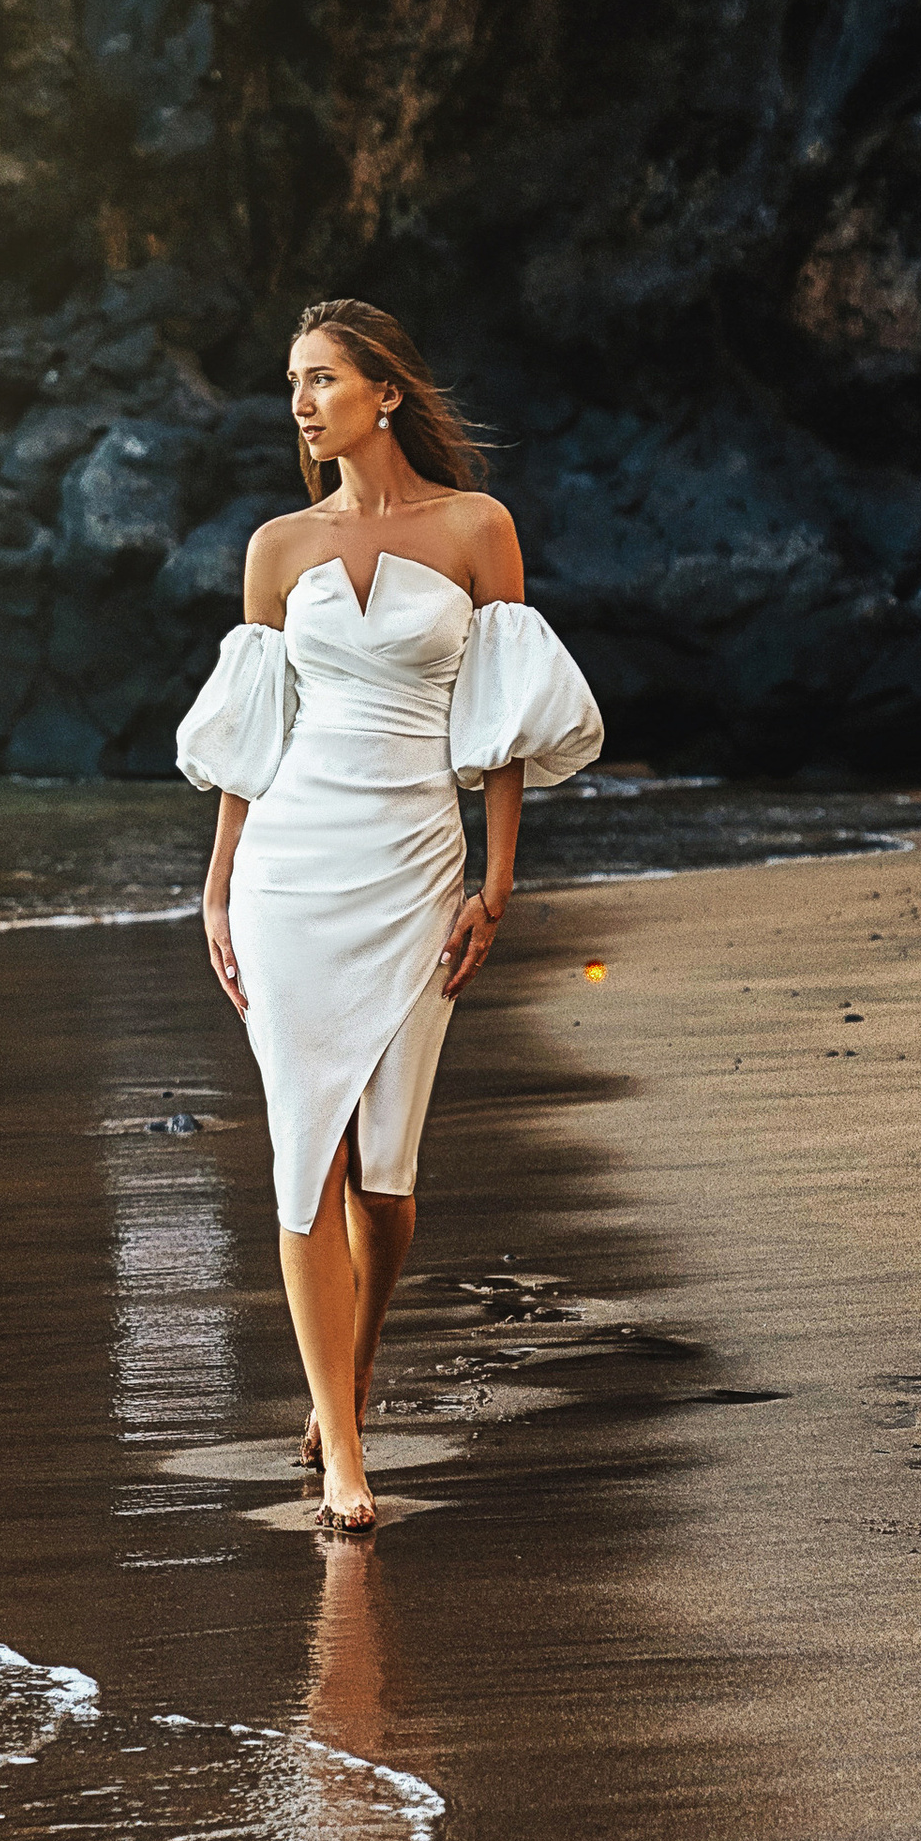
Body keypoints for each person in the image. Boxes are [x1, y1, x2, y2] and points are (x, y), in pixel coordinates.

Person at [176, 299, 603, 1536]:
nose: (301, 402)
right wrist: (218, 885)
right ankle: (349, 1454)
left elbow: (510, 725)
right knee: (303, 1154)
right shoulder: (275, 550)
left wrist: (497, 881)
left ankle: (346, 1378)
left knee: (390, 1170)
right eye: (293, 383)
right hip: (291, 871)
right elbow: (254, 736)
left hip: (417, 859)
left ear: (386, 394)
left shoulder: (478, 530)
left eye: (321, 379)